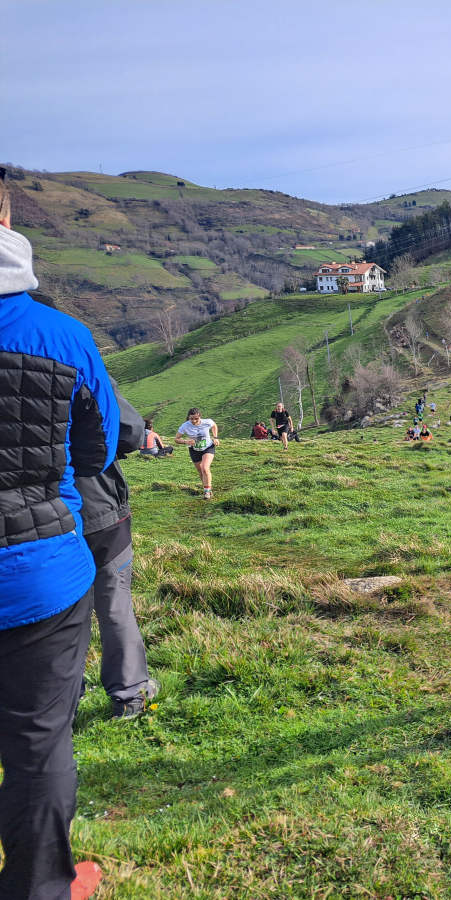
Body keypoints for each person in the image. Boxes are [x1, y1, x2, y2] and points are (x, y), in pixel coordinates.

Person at [0, 167, 115, 899]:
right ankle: (41, 885)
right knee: (39, 742)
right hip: (38, 570)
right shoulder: (63, 336)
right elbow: (97, 451)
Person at [77, 381, 159, 719]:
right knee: (113, 600)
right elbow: (128, 430)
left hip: (23, 515)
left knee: (53, 610)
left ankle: (59, 697)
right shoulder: (70, 356)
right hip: (95, 505)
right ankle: (129, 694)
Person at [175, 408, 220, 499]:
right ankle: (207, 488)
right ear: (188, 418)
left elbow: (214, 425)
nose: (194, 421)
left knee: (205, 468)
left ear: (200, 417)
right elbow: (176, 439)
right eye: (191, 419)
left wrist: (215, 437)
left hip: (208, 447)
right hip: (194, 450)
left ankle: (207, 492)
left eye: (196, 418)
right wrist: (186, 441)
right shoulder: (184, 426)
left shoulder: (207, 422)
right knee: (200, 471)